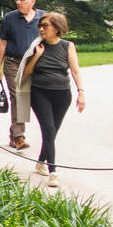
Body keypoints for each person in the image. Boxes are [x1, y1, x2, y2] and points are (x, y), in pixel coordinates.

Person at [21, 10, 85, 188]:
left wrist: (81, 92)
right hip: (40, 93)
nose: (41, 29)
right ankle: (53, 171)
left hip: (62, 94)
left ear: (57, 28)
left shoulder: (67, 46)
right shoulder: (37, 46)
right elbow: (26, 73)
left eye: (45, 26)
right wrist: (37, 57)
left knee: (52, 132)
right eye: (40, 26)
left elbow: (75, 70)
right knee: (48, 129)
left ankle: (41, 161)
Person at [0, 0, 41, 149]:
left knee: (28, 97)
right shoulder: (10, 18)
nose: (18, 2)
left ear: (32, 1)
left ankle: (13, 135)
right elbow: (3, 43)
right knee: (19, 96)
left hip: (33, 63)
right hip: (12, 62)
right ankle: (19, 137)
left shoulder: (42, 17)